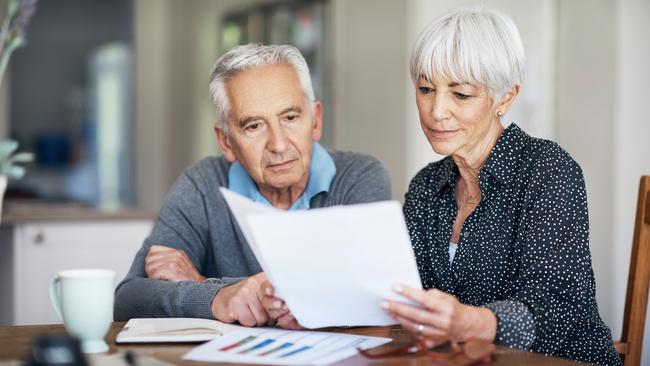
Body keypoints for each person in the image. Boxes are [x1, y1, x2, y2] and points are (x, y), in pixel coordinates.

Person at [381, 8, 621, 365]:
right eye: (426, 89)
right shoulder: (426, 187)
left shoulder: (548, 170)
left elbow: (555, 307)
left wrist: (470, 322)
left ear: (505, 98)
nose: (436, 111)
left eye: (460, 94)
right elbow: (402, 292)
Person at [114, 44, 391, 329]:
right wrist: (219, 297)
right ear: (225, 141)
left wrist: (205, 284)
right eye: (254, 126)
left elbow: (364, 291)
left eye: (290, 118)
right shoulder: (201, 185)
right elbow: (128, 299)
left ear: (316, 120)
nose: (279, 145)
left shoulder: (360, 176)